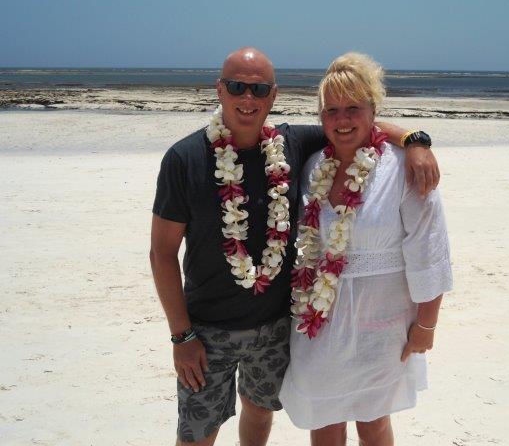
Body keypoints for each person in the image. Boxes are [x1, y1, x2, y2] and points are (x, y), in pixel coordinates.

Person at [149, 47, 440, 446]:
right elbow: (161, 254)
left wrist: (416, 140)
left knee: (261, 415)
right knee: (199, 431)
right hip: (207, 330)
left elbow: (359, 122)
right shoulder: (185, 158)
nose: (247, 98)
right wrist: (181, 336)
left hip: (276, 326)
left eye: (259, 89)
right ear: (220, 90)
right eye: (237, 87)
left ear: (273, 95)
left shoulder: (291, 145)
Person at [279, 52, 453, 446]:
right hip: (319, 324)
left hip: (383, 325)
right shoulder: (310, 166)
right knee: (323, 419)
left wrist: (426, 325)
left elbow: (429, 248)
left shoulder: (402, 168)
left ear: (373, 109)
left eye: (353, 108)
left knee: (373, 422)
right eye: (332, 110)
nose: (342, 120)